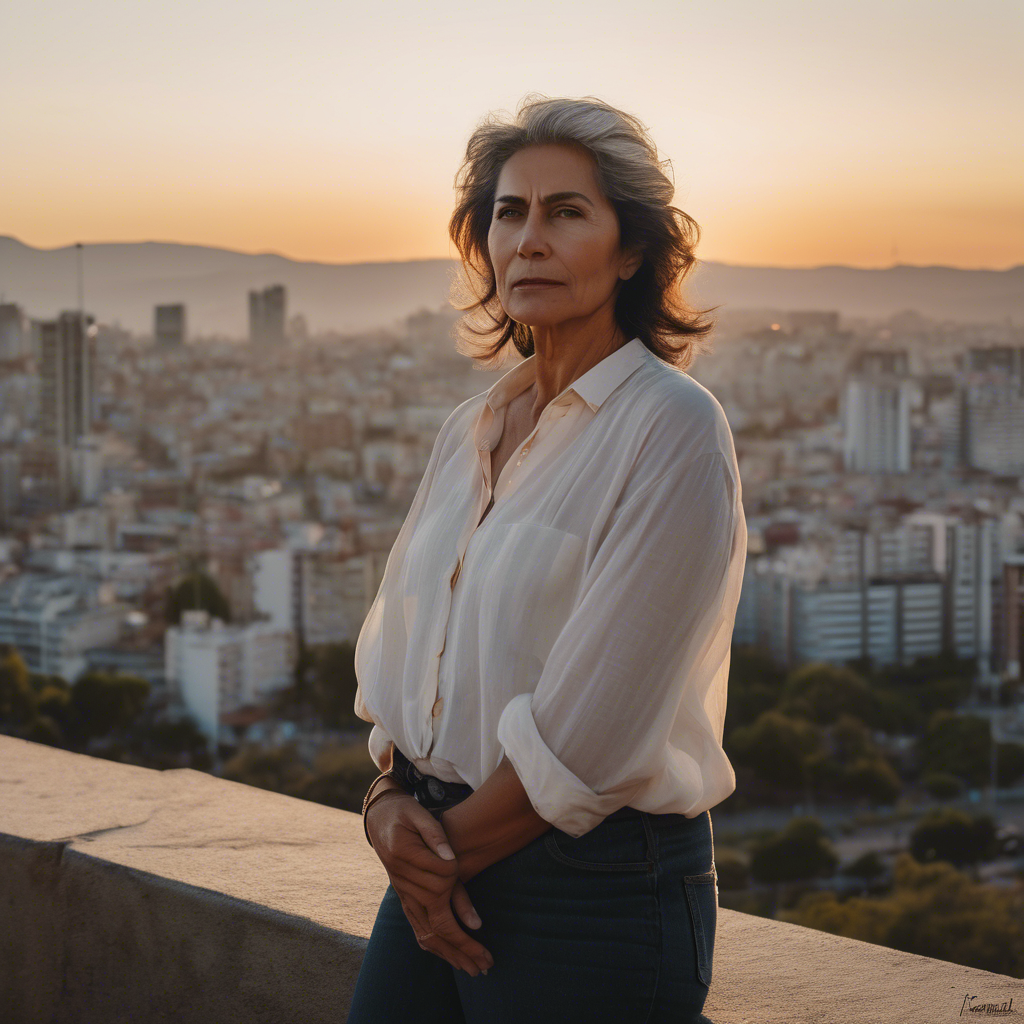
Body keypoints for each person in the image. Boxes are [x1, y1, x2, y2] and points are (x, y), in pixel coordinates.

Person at [347, 94, 747, 1024]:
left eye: (567, 212)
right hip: (436, 846)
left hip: (588, 891)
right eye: (509, 213)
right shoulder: (473, 427)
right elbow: (408, 656)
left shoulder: (673, 429)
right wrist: (384, 801)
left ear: (632, 249)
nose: (529, 240)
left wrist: (431, 856)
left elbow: (591, 733)